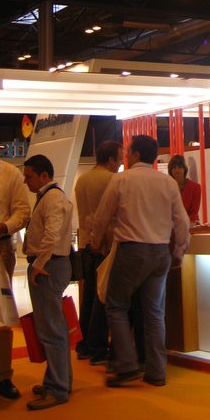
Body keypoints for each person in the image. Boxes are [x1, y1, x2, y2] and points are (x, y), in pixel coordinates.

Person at [91, 135, 190, 388]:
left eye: (129, 151)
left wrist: (95, 240)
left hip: (131, 250)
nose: (126, 155)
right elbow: (182, 221)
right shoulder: (168, 182)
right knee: (155, 313)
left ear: (135, 154)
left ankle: (126, 365)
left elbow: (102, 215)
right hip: (160, 252)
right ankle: (157, 371)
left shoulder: (121, 179)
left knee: (115, 306)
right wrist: (179, 250)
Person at [22, 154, 74, 410]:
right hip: (51, 265)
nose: (26, 181)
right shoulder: (51, 197)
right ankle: (59, 380)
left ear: (44, 176)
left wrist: (38, 265)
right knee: (54, 328)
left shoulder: (52, 198)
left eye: (29, 176)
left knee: (51, 330)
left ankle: (57, 388)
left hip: (49, 267)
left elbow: (51, 234)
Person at [0, 127, 31, 400]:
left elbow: (23, 211)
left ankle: (3, 377)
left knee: (0, 314)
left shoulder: (11, 175)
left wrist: (5, 226)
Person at [74, 140, 123, 364]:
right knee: (102, 298)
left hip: (85, 243)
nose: (120, 163)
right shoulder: (111, 179)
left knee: (89, 296)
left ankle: (84, 344)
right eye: (119, 159)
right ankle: (97, 348)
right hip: (104, 244)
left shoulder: (82, 180)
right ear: (111, 160)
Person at [167, 154, 201, 225]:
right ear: (170, 170)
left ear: (184, 169)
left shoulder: (195, 187)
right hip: (170, 226)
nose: (177, 170)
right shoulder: (166, 187)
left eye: (179, 167)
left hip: (191, 225)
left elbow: (194, 213)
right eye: (174, 167)